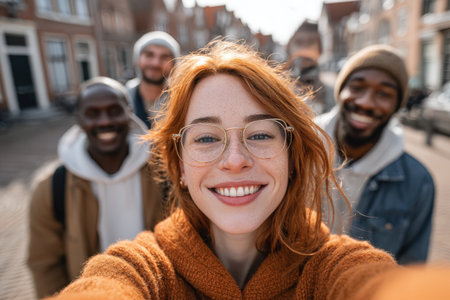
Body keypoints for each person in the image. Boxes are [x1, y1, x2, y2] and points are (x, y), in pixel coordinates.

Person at [44, 41, 447, 300]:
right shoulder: (146, 268)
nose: (234, 159)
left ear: (291, 159)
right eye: (205, 138)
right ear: (180, 165)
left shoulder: (331, 265)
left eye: (259, 135)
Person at [28, 77, 165, 298]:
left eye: (114, 110)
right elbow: (45, 264)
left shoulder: (163, 171)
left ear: (129, 111)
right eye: (92, 113)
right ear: (79, 119)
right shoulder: (52, 188)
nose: (104, 121)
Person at [315, 44, 435, 264]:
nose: (366, 102)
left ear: (396, 105)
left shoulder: (418, 182)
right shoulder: (294, 152)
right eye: (357, 87)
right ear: (340, 91)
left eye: (384, 94)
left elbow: (411, 270)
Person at [126, 31, 180, 128]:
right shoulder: (123, 99)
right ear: (137, 59)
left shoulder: (182, 101)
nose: (156, 63)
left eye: (164, 57)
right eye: (149, 55)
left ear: (174, 64)